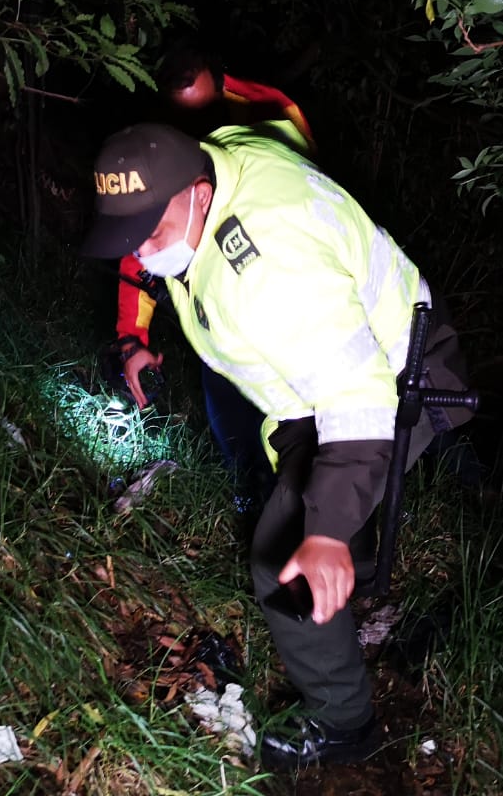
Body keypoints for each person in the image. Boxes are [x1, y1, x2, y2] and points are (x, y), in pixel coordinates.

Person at [81, 120, 475, 769]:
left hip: (393, 377)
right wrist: (134, 334)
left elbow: (359, 399)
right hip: (318, 386)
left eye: (150, 232)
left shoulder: (271, 268)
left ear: (199, 195)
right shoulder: (215, 166)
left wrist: (325, 531)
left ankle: (346, 724)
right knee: (318, 519)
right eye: (130, 233)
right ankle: (351, 567)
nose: (143, 251)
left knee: (283, 558)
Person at [111, 40, 315, 511]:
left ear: (224, 86)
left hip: (282, 265)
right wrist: (131, 339)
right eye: (184, 120)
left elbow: (307, 198)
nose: (197, 130)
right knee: (220, 357)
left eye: (205, 114)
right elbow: (144, 240)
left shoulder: (272, 112)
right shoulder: (160, 139)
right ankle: (249, 487)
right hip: (211, 276)